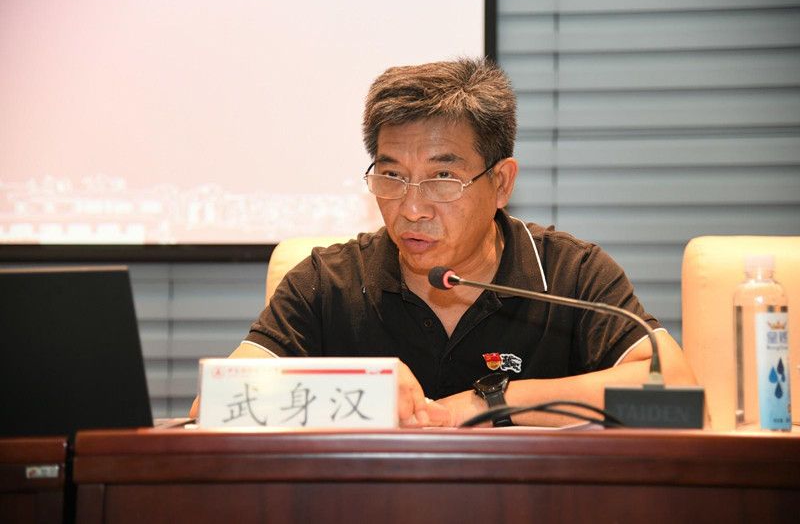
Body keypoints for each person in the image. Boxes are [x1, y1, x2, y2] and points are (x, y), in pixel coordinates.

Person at [191, 58, 696, 426]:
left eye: (442, 178)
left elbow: (676, 390)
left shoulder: (569, 273)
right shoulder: (327, 282)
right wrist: (362, 387)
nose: (412, 208)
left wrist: (488, 403)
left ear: (501, 183)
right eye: (392, 175)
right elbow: (213, 406)